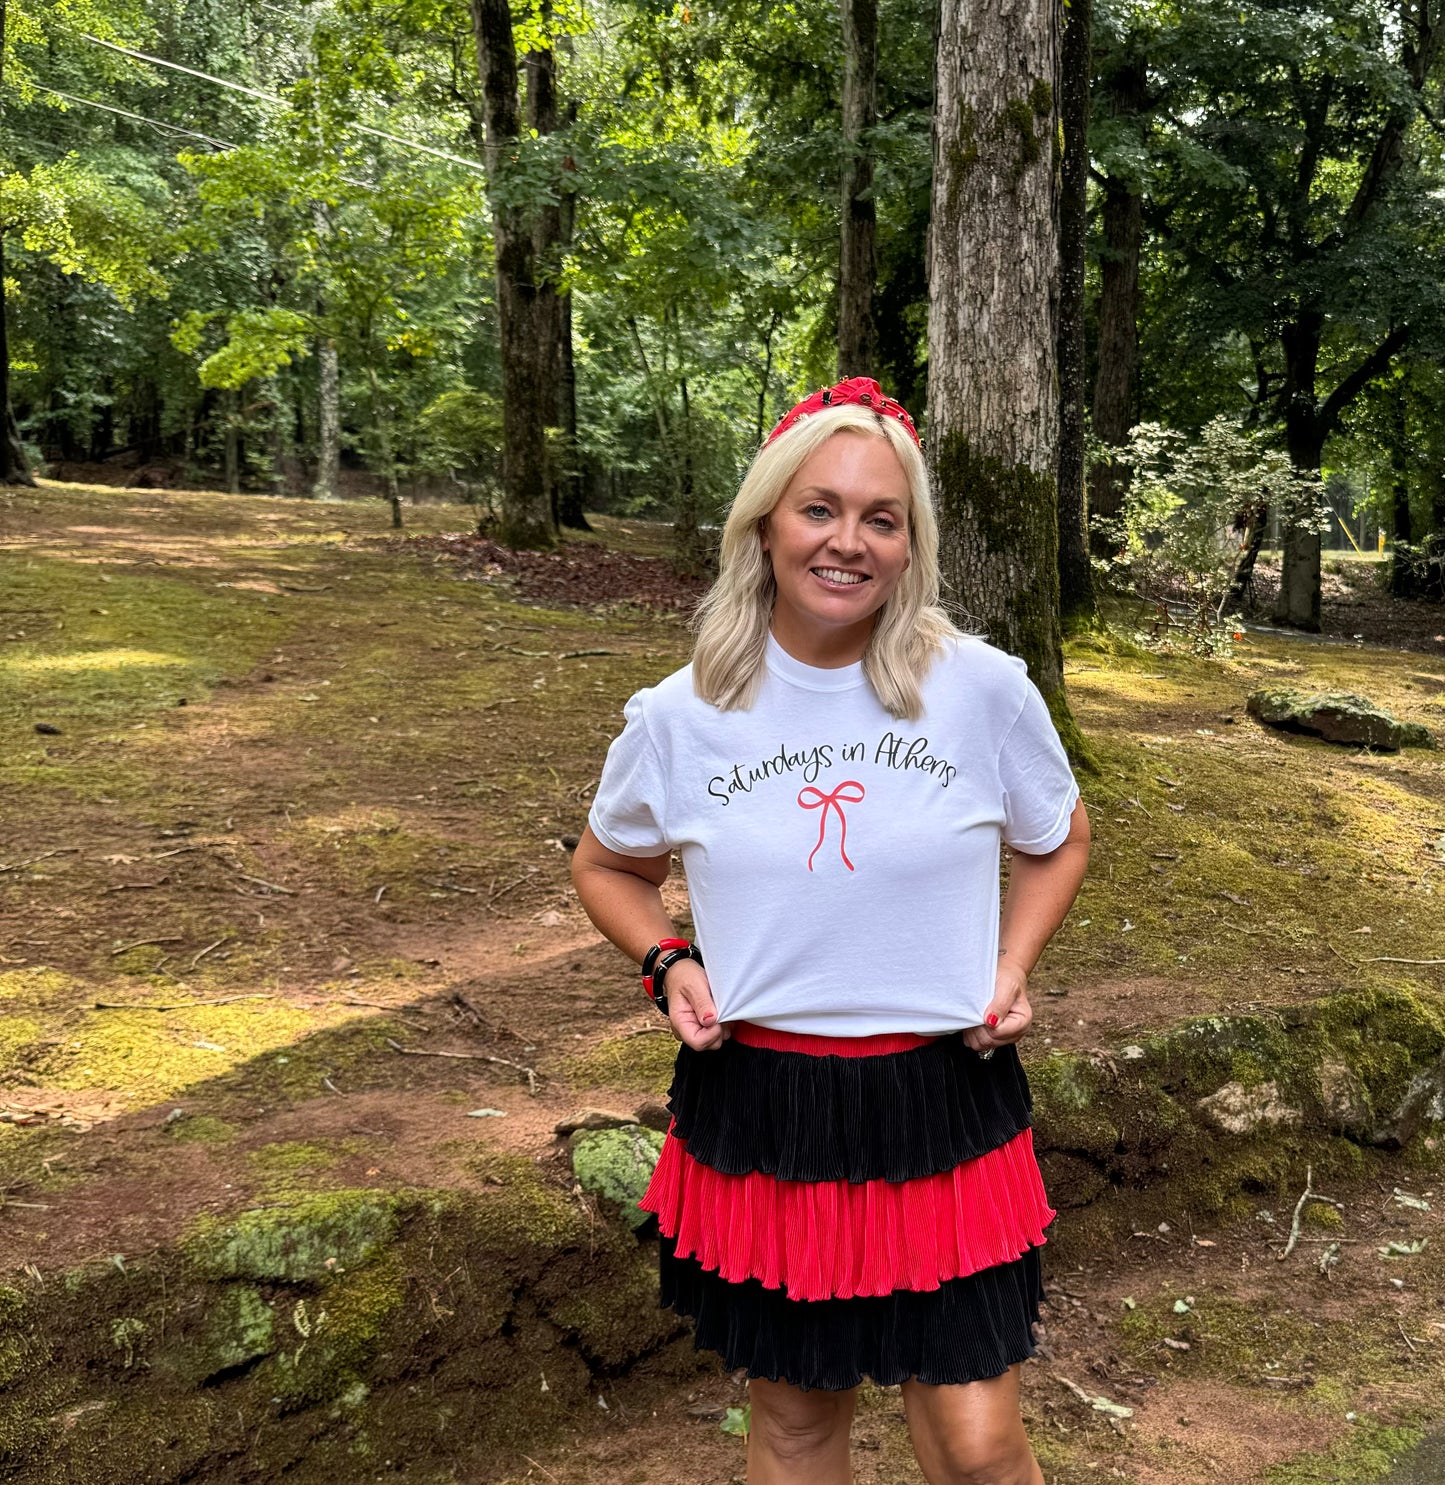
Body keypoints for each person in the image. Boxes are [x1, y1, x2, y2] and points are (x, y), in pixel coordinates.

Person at [572, 376, 1090, 1485]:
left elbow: (1058, 839)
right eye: (819, 508)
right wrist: (666, 959)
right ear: (764, 522)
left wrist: (1010, 963)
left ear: (910, 547)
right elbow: (608, 864)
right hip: (770, 1115)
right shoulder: (679, 715)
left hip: (941, 1103)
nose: (845, 541)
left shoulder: (981, 692)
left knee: (977, 1443)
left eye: (880, 518)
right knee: (799, 1429)